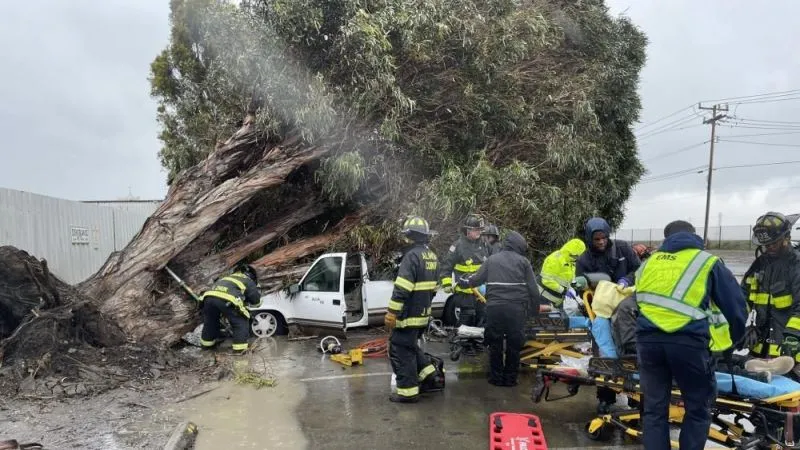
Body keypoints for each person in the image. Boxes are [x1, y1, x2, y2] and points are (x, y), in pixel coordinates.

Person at [635, 220, 746, 450]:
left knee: (654, 410)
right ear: (694, 236)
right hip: (688, 345)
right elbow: (736, 308)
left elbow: (637, 301)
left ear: (666, 238)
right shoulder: (707, 262)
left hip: (648, 344)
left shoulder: (648, 263)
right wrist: (733, 342)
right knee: (697, 408)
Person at [458, 231, 543, 387]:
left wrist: (463, 282)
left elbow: (476, 280)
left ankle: (496, 378)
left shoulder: (492, 260)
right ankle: (510, 379)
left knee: (495, 343)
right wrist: (534, 312)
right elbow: (534, 291)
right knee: (514, 345)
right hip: (516, 310)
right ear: (519, 246)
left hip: (494, 309)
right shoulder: (523, 262)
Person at [576, 217, 641, 413]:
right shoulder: (585, 260)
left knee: (631, 347)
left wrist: (626, 279)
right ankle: (605, 397)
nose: (601, 242)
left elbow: (639, 270)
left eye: (604, 237)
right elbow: (581, 286)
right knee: (604, 351)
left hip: (627, 306)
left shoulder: (622, 249)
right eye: (597, 239)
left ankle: (636, 395)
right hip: (601, 309)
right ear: (589, 239)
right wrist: (583, 284)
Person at [385, 216, 443, 403]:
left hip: (408, 315)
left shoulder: (411, 257)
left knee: (400, 349)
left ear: (410, 236)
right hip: (423, 314)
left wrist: (392, 312)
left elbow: (402, 288)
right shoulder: (431, 256)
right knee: (410, 345)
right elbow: (434, 289)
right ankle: (430, 376)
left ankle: (407, 393)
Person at [740, 212, 800, 375]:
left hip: (791, 346)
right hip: (761, 344)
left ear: (786, 237)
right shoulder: (760, 264)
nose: (769, 247)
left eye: (774, 243)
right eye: (766, 244)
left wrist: (793, 337)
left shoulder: (795, 264)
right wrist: (736, 327)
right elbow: (741, 298)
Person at [440, 214, 491, 327]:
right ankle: (461, 343)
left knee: (481, 319)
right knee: (467, 318)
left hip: (481, 292)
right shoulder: (458, 246)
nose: (479, 232)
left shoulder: (484, 244)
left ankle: (476, 344)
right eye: (476, 229)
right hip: (464, 293)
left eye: (480, 230)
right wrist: (447, 284)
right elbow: (446, 267)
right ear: (467, 230)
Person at [200, 263, 262, 353]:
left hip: (208, 298)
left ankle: (206, 348)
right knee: (240, 323)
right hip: (228, 299)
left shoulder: (227, 278)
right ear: (252, 277)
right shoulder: (248, 281)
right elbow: (256, 302)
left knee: (210, 322)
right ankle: (240, 351)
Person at [539, 238, 586, 308]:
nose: (577, 258)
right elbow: (547, 280)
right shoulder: (554, 260)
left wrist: (574, 285)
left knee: (563, 318)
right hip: (544, 297)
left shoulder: (571, 261)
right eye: (576, 256)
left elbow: (568, 277)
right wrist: (563, 291)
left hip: (557, 299)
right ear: (570, 252)